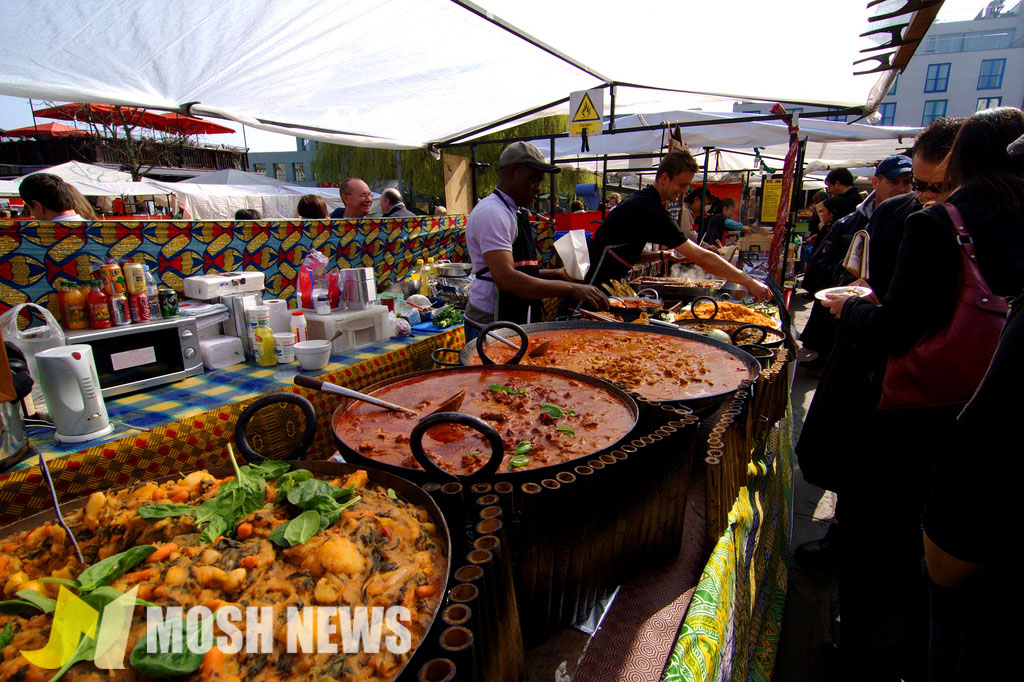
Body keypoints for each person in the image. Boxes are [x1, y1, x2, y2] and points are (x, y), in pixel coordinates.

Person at [822, 107, 1024, 681]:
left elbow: (895, 329)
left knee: (877, 530)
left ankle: (857, 648)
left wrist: (853, 308)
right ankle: (913, 649)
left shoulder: (937, 222)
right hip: (986, 406)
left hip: (917, 410)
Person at [793, 119, 964, 567]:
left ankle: (872, 556)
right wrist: (853, 304)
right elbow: (862, 281)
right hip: (882, 368)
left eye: (933, 185)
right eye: (917, 184)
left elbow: (895, 319)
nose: (924, 196)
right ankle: (846, 542)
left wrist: (854, 310)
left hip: (927, 378)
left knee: (899, 488)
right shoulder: (895, 216)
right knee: (863, 470)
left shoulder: (960, 223)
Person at [464, 141, 608, 331]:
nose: (538, 188)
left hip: (511, 315)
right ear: (511, 171)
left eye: (540, 181)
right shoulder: (493, 212)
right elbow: (506, 278)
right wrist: (572, 289)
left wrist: (555, 274)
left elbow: (517, 270)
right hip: (490, 322)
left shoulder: (513, 211)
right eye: (533, 179)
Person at [588, 151, 771, 299]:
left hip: (601, 289)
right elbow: (703, 258)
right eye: (682, 185)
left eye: (687, 186)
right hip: (591, 290)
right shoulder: (649, 208)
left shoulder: (644, 200)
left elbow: (623, 253)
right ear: (665, 178)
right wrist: (748, 281)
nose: (685, 191)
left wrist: (663, 255)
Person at [799, 155, 913, 364]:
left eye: (908, 182)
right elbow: (823, 264)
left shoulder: (915, 221)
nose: (902, 189)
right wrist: (848, 283)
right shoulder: (849, 222)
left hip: (885, 324)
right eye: (894, 182)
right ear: (876, 182)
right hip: (846, 314)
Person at [18, 173, 83, 221]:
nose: (33, 214)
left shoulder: (37, 236)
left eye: (29, 208)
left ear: (37, 206)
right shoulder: (91, 228)